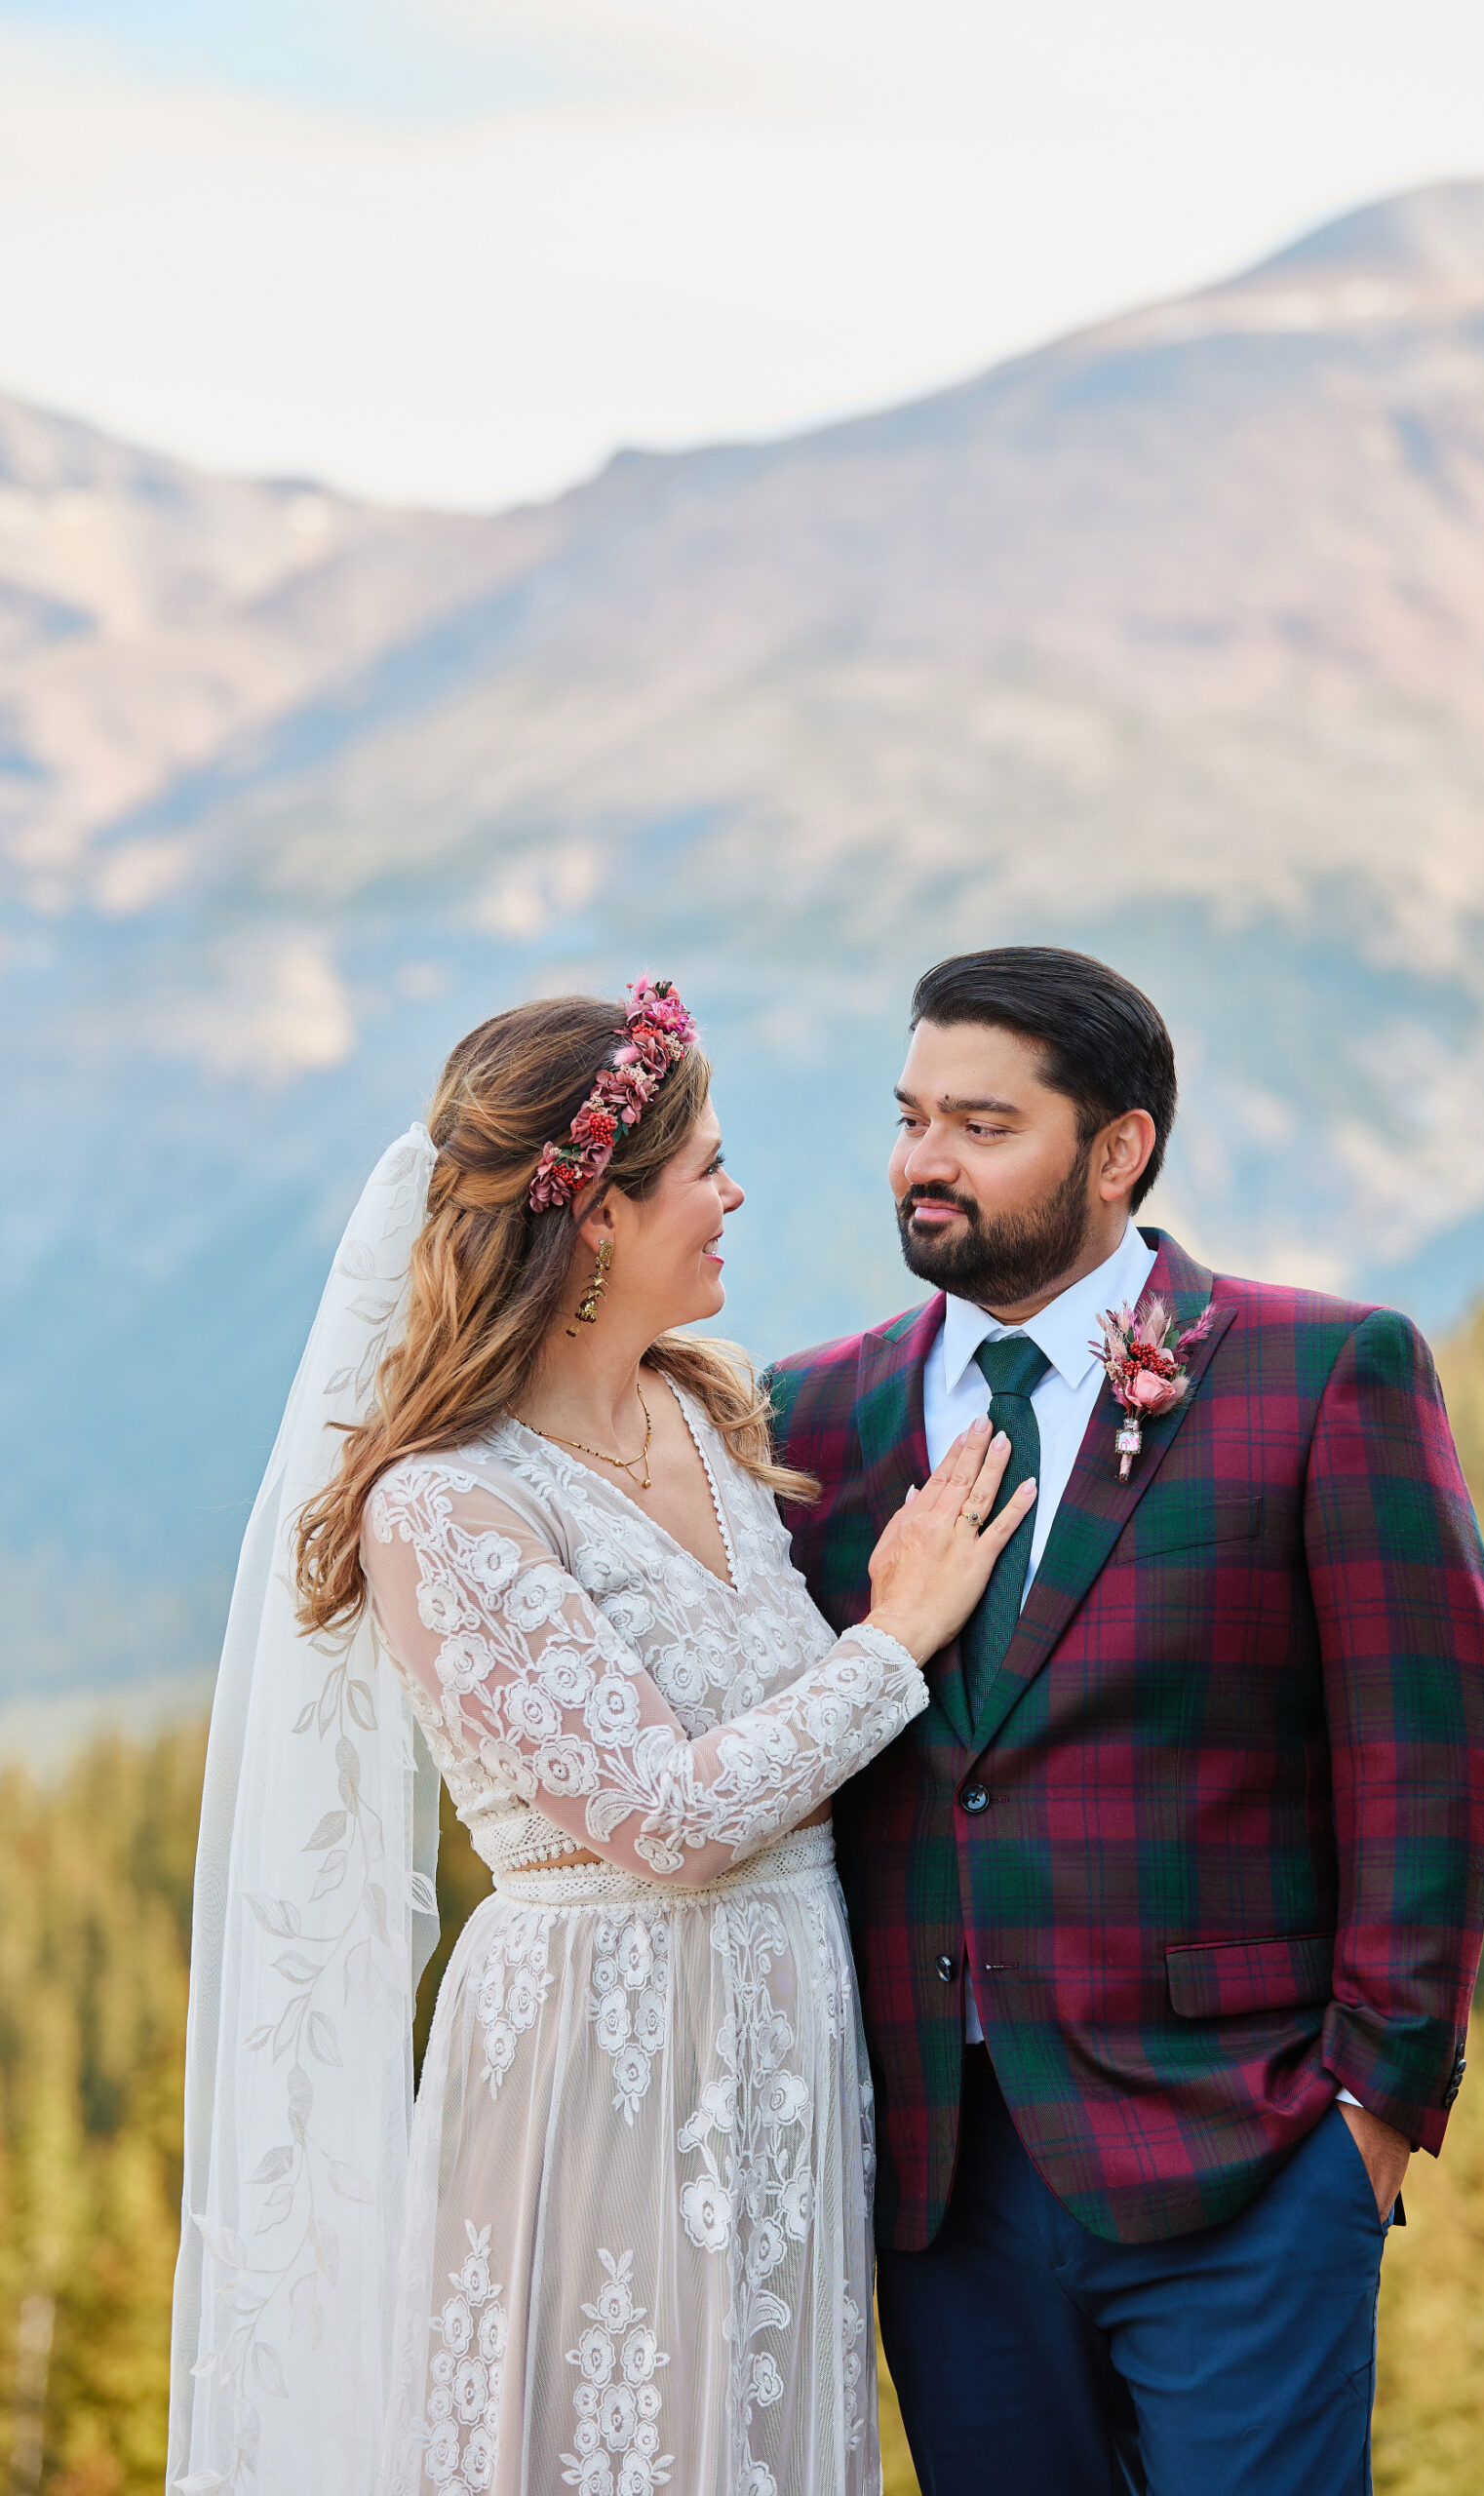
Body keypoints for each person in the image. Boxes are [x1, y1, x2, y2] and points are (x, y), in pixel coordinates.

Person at [168, 978, 1035, 2496]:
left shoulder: (712, 1411)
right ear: (598, 1218)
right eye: (706, 1166)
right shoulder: (446, 1503)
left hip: (787, 2056)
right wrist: (894, 1638)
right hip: (603, 2060)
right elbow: (664, 1819)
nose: (735, 1195)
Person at [767, 945, 1484, 2495]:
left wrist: (1372, 2109)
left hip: (1248, 2155)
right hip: (938, 2178)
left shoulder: (1322, 1372)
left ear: (1119, 1151)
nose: (923, 1163)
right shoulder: (810, 1415)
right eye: (911, 1118)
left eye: (982, 1126)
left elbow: (1426, 1761)